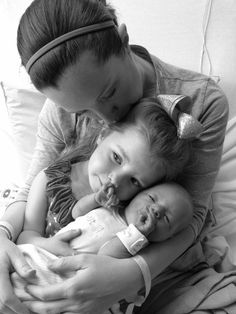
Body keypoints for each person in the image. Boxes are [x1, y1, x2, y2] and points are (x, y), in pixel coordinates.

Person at [0, 0, 229, 313]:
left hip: (165, 265)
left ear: (123, 39)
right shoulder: (59, 110)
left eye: (107, 94)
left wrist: (132, 274)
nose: (105, 118)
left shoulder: (202, 102)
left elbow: (195, 212)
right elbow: (31, 191)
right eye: (81, 111)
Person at [12, 182, 193, 314]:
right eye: (152, 198)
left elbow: (106, 256)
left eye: (166, 219)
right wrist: (95, 198)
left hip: (74, 283)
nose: (156, 210)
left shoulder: (138, 246)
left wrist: (136, 233)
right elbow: (76, 213)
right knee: (19, 263)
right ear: (138, 193)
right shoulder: (111, 207)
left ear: (167, 238)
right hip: (47, 257)